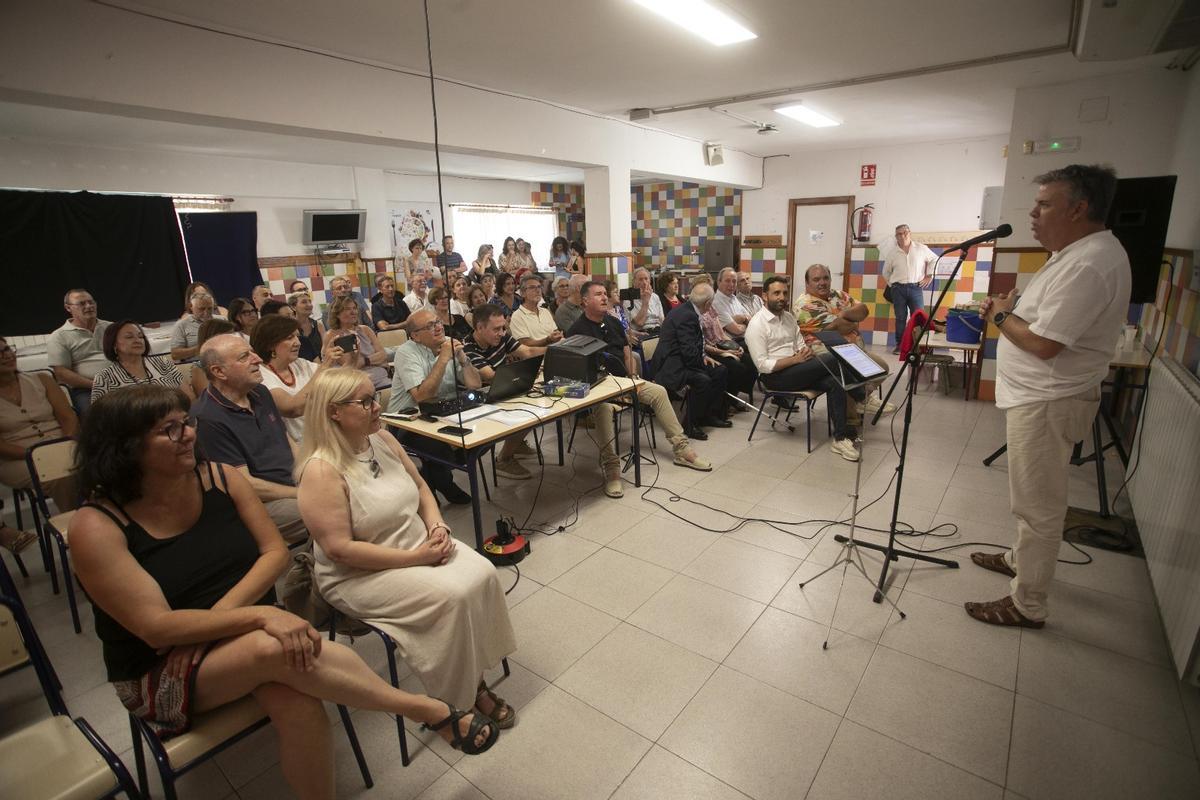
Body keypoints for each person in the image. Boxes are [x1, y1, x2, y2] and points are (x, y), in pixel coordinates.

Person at [68, 386, 498, 800]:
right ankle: (429, 710)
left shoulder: (219, 478)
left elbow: (274, 553)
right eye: (169, 429)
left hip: (235, 636)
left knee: (300, 704)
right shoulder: (96, 526)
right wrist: (260, 615)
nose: (189, 435)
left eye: (187, 422)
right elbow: (157, 629)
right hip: (160, 667)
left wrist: (220, 623)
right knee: (272, 647)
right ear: (124, 447)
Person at [297, 369, 518, 727]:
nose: (376, 406)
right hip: (358, 574)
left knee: (484, 572)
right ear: (334, 412)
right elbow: (340, 550)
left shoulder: (381, 439)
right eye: (365, 401)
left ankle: (471, 668)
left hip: (413, 543)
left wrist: (437, 526)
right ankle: (461, 697)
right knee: (452, 597)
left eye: (375, 396)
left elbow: (420, 489)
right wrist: (417, 557)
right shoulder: (321, 471)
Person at [965, 165, 1131, 630]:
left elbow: (1043, 343)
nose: (1033, 213)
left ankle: (1027, 604)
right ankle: (1020, 559)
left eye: (1044, 204)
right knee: (1033, 499)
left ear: (1079, 208)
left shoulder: (1090, 263)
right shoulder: (1074, 253)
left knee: (1037, 506)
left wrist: (1000, 316)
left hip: (1048, 401)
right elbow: (1044, 324)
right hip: (1040, 397)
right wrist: (1010, 311)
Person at [568, 282, 711, 496]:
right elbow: (576, 369)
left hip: (624, 382)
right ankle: (612, 468)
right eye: (598, 294)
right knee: (605, 408)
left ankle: (681, 448)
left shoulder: (613, 323)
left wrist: (633, 377)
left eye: (605, 294)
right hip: (598, 389)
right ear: (585, 300)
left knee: (658, 392)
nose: (605, 297)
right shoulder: (576, 330)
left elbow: (627, 353)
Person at [192, 334, 307, 543]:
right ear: (219, 372)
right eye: (245, 356)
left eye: (252, 352)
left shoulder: (260, 392)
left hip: (293, 485)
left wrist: (310, 474)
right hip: (262, 501)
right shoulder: (208, 419)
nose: (258, 359)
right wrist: (301, 493)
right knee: (328, 508)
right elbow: (247, 485)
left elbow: (286, 439)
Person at [745, 276, 866, 462]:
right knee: (833, 358)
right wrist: (795, 359)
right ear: (764, 296)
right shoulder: (756, 325)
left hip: (798, 369)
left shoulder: (788, 318)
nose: (782, 297)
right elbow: (763, 365)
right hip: (775, 377)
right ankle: (862, 396)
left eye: (785, 293)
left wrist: (804, 352)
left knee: (835, 381)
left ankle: (840, 438)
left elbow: (800, 344)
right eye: (776, 293)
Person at [387, 309, 482, 505]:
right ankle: (440, 482)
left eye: (438, 322)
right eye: (430, 326)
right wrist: (444, 358)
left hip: (442, 413)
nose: (439, 327)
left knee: (481, 439)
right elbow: (422, 395)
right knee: (441, 449)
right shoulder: (406, 352)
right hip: (407, 421)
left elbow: (474, 385)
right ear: (415, 335)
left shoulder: (447, 343)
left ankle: (432, 478)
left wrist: (463, 358)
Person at [793, 263, 894, 414]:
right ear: (807, 283)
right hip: (827, 355)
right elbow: (841, 327)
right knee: (851, 374)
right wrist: (850, 317)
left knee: (882, 368)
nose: (822, 283)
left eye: (826, 278)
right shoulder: (805, 305)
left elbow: (863, 310)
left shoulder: (838, 294)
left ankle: (862, 398)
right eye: (816, 279)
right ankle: (852, 418)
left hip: (852, 351)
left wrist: (843, 315)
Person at [462, 304, 545, 480]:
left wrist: (555, 348)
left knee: (536, 404)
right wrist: (522, 371)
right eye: (496, 329)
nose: (502, 333)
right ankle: (503, 459)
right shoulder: (468, 348)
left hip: (502, 389)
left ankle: (516, 444)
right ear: (479, 328)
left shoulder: (500, 337)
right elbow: (489, 376)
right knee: (526, 411)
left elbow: (527, 351)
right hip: (477, 400)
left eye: (503, 328)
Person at [0, 336, 79, 516]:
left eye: (7, 349)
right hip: (18, 459)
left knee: (106, 463)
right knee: (62, 475)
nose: (6, 356)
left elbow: (68, 417)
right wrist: (39, 454)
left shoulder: (42, 379)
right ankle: (79, 525)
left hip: (62, 443)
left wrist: (62, 445)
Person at [650, 283, 731, 436]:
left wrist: (704, 357)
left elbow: (691, 347)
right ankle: (689, 423)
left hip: (681, 359)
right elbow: (688, 352)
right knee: (703, 379)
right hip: (671, 365)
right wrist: (701, 362)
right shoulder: (687, 316)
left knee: (720, 370)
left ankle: (709, 415)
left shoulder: (689, 310)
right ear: (708, 304)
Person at [255, 315, 340, 444]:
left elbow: (340, 383)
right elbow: (294, 409)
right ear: (270, 344)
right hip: (298, 447)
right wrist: (325, 366)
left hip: (325, 436)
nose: (298, 343)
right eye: (290, 338)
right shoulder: (261, 376)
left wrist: (352, 358)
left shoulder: (300, 364)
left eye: (297, 336)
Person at [91, 320, 193, 403]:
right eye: (129, 337)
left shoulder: (162, 363)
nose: (137, 340)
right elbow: (101, 418)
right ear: (114, 344)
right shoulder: (104, 378)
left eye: (140, 336)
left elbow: (189, 398)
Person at [691, 274, 757, 402]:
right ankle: (728, 401)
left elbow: (721, 333)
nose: (709, 292)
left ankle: (735, 395)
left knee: (751, 362)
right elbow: (702, 344)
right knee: (737, 368)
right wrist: (725, 351)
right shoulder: (694, 312)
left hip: (721, 344)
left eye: (710, 287)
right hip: (711, 350)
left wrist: (734, 346)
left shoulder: (710, 307)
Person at [46, 289, 111, 415]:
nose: (89, 306)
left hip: (121, 382)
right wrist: (97, 385)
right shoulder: (59, 336)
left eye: (91, 302)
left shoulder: (111, 328)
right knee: (94, 415)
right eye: (81, 303)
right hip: (86, 389)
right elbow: (61, 373)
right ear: (68, 308)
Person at [882, 224, 937, 354]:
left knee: (918, 317)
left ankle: (919, 345)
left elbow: (934, 259)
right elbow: (886, 272)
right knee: (900, 318)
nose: (902, 236)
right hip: (898, 289)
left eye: (904, 233)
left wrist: (930, 275)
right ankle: (900, 346)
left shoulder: (921, 248)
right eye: (898, 234)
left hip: (915, 288)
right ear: (896, 237)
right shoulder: (892, 253)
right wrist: (893, 285)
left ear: (909, 233)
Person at [324, 296, 391, 391]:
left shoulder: (366, 330)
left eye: (354, 308)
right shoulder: (332, 335)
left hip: (381, 378)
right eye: (347, 309)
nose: (353, 312)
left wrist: (364, 361)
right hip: (356, 384)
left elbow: (383, 355)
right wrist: (373, 360)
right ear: (337, 314)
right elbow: (351, 365)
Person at [509, 273, 564, 348]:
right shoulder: (517, 316)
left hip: (554, 351)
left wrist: (560, 337)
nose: (538, 290)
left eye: (539, 287)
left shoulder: (545, 311)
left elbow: (555, 333)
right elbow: (525, 344)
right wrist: (547, 340)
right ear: (522, 293)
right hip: (536, 357)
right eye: (532, 287)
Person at [188, 318, 237, 397]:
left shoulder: (237, 360)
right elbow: (209, 398)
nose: (234, 341)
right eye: (228, 337)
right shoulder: (199, 368)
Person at [170, 291, 220, 362]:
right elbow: (175, 355)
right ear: (191, 307)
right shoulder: (181, 325)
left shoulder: (222, 320)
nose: (206, 313)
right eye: (201, 309)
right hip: (196, 364)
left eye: (209, 308)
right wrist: (201, 348)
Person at [712, 268, 754, 338]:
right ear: (719, 282)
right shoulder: (716, 302)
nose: (731, 284)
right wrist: (745, 323)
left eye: (734, 281)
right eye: (727, 281)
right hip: (733, 344)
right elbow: (736, 330)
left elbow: (750, 319)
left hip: (746, 338)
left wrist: (742, 318)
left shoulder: (734, 298)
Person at [288, 291, 326, 362]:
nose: (309, 305)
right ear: (293, 307)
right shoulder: (290, 328)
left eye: (310, 301)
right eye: (304, 302)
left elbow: (326, 348)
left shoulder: (318, 324)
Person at [629, 268, 665, 334]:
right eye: (640, 279)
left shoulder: (655, 296)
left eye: (646, 279)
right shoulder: (629, 299)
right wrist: (646, 301)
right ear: (634, 282)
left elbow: (662, 320)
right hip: (643, 332)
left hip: (658, 330)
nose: (644, 283)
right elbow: (639, 323)